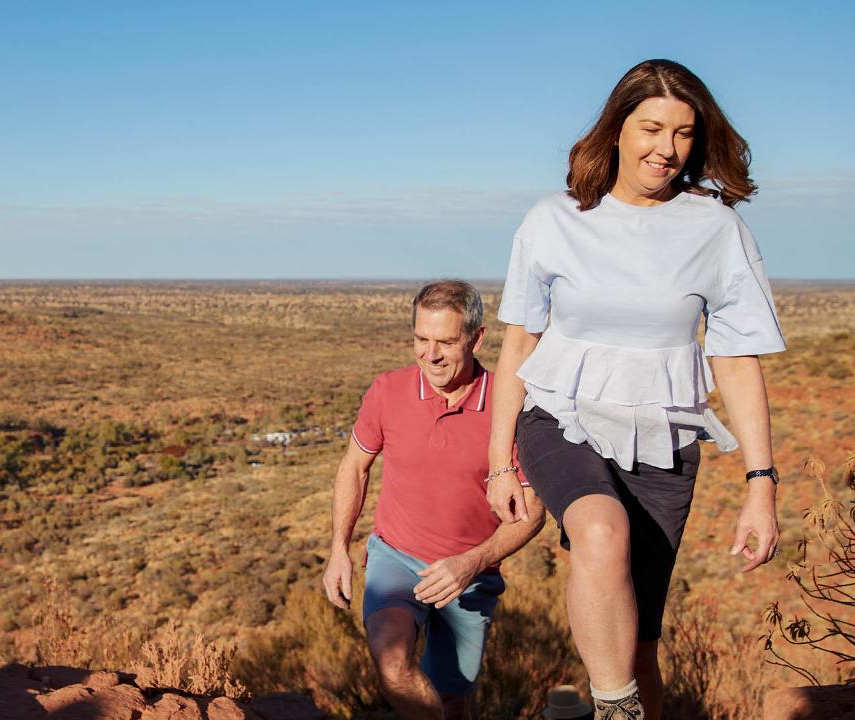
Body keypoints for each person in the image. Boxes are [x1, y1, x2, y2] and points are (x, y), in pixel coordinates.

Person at [486, 59, 786, 720]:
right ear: (616, 128)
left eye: (683, 134)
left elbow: (736, 362)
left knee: (641, 645)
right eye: (652, 128)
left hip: (665, 440)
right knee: (599, 531)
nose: (667, 150)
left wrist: (761, 484)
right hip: (561, 419)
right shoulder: (552, 220)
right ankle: (613, 710)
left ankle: (625, 700)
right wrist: (496, 464)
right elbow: (519, 345)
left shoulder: (717, 228)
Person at [323, 279, 545, 720]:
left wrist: (472, 563)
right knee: (393, 662)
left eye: (446, 341)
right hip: (396, 558)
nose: (431, 354)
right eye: (421, 340)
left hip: (472, 573)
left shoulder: (510, 407)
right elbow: (354, 467)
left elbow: (532, 512)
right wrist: (337, 550)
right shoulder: (388, 391)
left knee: (452, 702)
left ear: (478, 338)